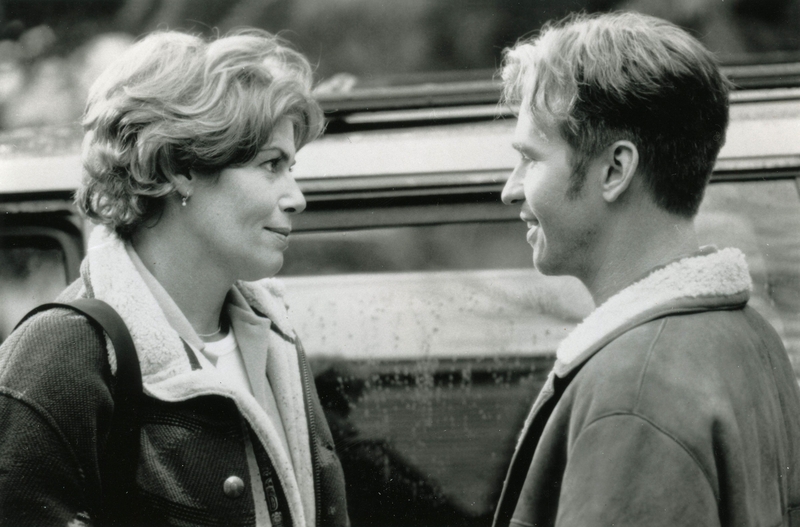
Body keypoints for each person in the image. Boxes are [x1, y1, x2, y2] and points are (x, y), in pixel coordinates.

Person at [0, 29, 348, 527]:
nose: (296, 197)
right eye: (271, 165)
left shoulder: (274, 340)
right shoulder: (61, 358)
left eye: (290, 166)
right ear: (180, 166)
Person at [495, 11, 800, 527]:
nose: (510, 188)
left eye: (531, 158)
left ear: (616, 169)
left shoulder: (632, 394)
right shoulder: (753, 338)